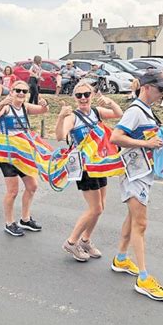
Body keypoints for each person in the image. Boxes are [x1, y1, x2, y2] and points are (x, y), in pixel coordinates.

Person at [110, 70, 163, 301]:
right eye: (159, 89)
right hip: (133, 173)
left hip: (142, 172)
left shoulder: (146, 110)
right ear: (146, 87)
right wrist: (145, 142)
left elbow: (146, 135)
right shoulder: (135, 111)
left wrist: (162, 138)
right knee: (141, 223)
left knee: (132, 218)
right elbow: (115, 137)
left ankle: (121, 258)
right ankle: (144, 278)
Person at [55, 82, 123, 261]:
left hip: (99, 164)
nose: (83, 98)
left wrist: (110, 103)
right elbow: (60, 136)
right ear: (75, 98)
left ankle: (85, 240)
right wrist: (61, 117)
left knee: (100, 208)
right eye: (79, 95)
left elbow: (119, 114)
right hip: (84, 167)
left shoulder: (96, 112)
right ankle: (71, 242)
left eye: (86, 94)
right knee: (95, 208)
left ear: (92, 95)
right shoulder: (73, 117)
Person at [0, 80, 49, 236]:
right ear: (12, 91)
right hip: (7, 154)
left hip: (23, 154)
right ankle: (9, 223)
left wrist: (45, 104)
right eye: (18, 90)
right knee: (13, 191)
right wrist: (2, 103)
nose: (21, 93)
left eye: (24, 91)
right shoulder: (7, 107)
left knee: (32, 186)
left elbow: (43, 110)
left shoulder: (25, 107)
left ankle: (25, 219)